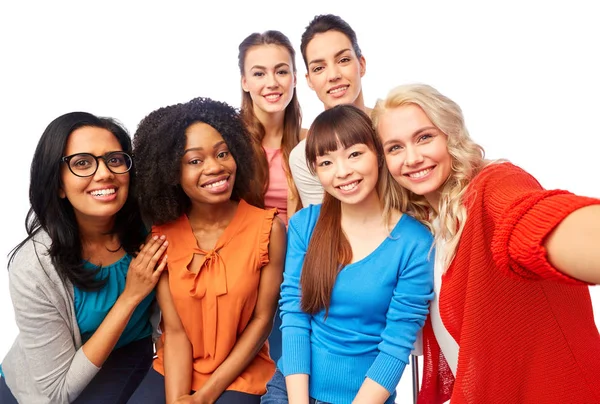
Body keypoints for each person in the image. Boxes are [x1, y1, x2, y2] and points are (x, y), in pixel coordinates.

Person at [372, 83, 600, 403]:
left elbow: (528, 219)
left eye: (424, 137)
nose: (411, 158)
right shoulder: (426, 229)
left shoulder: (492, 186)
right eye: (395, 147)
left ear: (450, 135)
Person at [262, 104, 434, 404]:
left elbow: (396, 345)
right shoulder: (304, 225)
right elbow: (294, 318)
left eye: (354, 154)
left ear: (378, 154)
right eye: (326, 162)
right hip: (291, 392)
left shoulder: (415, 242)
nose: (342, 172)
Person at [127, 97, 286, 404]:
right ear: (171, 172)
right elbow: (173, 332)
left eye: (223, 153)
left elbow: (262, 321)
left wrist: (205, 397)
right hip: (175, 368)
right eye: (195, 161)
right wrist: (178, 399)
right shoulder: (162, 237)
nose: (215, 167)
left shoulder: (268, 229)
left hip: (241, 373)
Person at [0, 112, 167, 404]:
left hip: (127, 353)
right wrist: (130, 296)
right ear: (58, 185)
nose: (104, 173)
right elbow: (56, 392)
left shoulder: (154, 223)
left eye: (114, 159)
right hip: (43, 386)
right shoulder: (32, 267)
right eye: (82, 163)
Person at [289, 14, 371, 207]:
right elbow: (323, 225)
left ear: (361, 64)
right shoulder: (305, 155)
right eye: (319, 68)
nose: (333, 75)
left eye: (343, 60)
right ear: (309, 80)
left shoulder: (394, 127)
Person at [238, 30, 303, 225]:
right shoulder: (228, 142)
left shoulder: (309, 141)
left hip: (298, 250)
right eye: (259, 74)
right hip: (245, 249)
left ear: (295, 78)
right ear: (245, 82)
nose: (272, 83)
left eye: (281, 72)